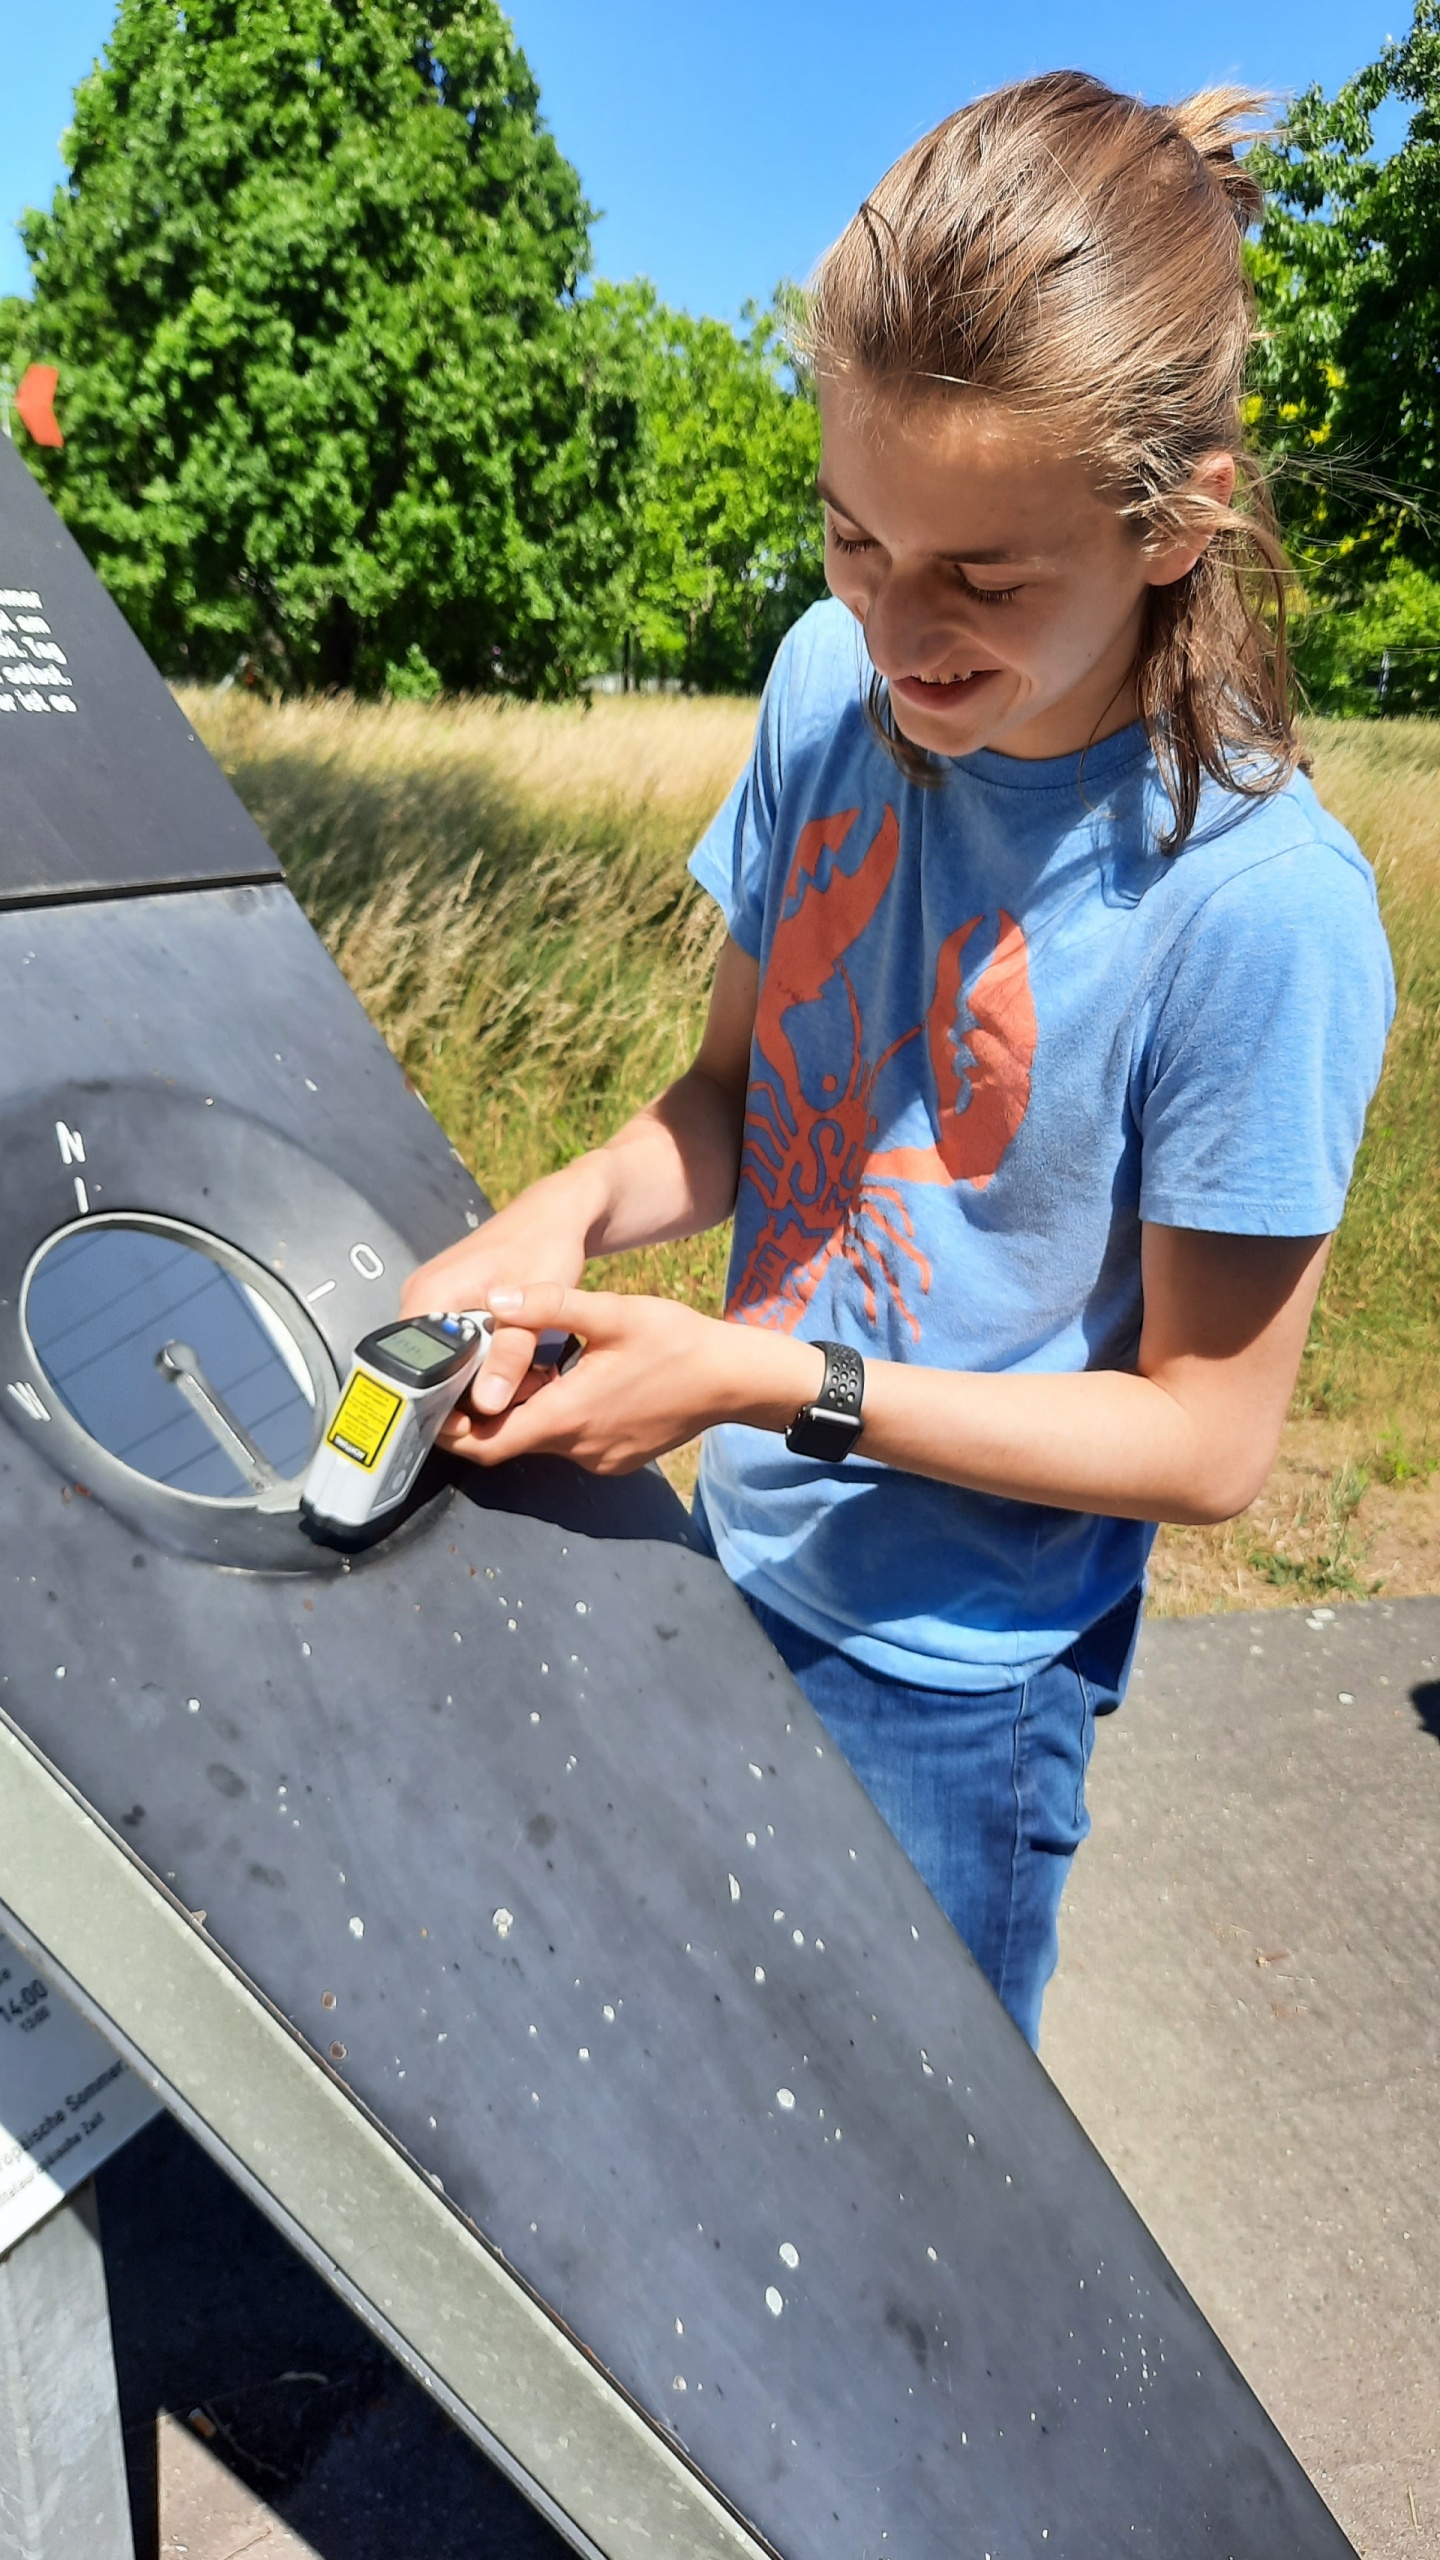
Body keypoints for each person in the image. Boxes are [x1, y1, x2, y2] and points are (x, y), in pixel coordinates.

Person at [402, 72, 1394, 2048]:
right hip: (727, 1541)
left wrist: (763, 1376)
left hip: (958, 1680)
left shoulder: (1260, 906)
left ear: (1184, 514)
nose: (899, 628)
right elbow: (736, 1103)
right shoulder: (821, 688)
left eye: (988, 579)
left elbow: (1206, 1438)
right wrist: (569, 1208)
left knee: (900, 2190)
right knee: (670, 2044)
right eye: (855, 536)